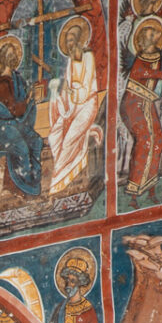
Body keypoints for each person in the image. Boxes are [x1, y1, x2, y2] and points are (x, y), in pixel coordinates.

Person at [120, 17, 162, 205]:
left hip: (146, 102)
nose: (155, 36)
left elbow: (159, 66)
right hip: (133, 104)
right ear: (141, 42)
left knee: (158, 141)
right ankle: (133, 193)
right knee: (145, 142)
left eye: (155, 34)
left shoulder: (155, 56)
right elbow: (161, 74)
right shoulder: (139, 62)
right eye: (150, 35)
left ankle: (150, 188)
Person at [45, 15, 102, 193]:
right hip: (73, 106)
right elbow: (68, 88)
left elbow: (86, 86)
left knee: (69, 141)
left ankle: (57, 182)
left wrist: (72, 92)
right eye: (67, 41)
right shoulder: (70, 61)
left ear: (78, 39)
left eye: (71, 40)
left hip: (87, 104)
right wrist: (58, 94)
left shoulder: (88, 56)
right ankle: (63, 180)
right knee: (54, 135)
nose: (69, 44)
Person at [0, 35, 43, 196]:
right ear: (3, 58)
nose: (13, 56)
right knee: (22, 148)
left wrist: (32, 96)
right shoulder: (3, 82)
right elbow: (14, 109)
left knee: (36, 141)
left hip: (17, 123)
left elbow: (22, 103)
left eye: (14, 53)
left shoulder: (17, 78)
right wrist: (29, 100)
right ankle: (25, 186)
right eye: (9, 53)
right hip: (4, 127)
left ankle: (35, 179)